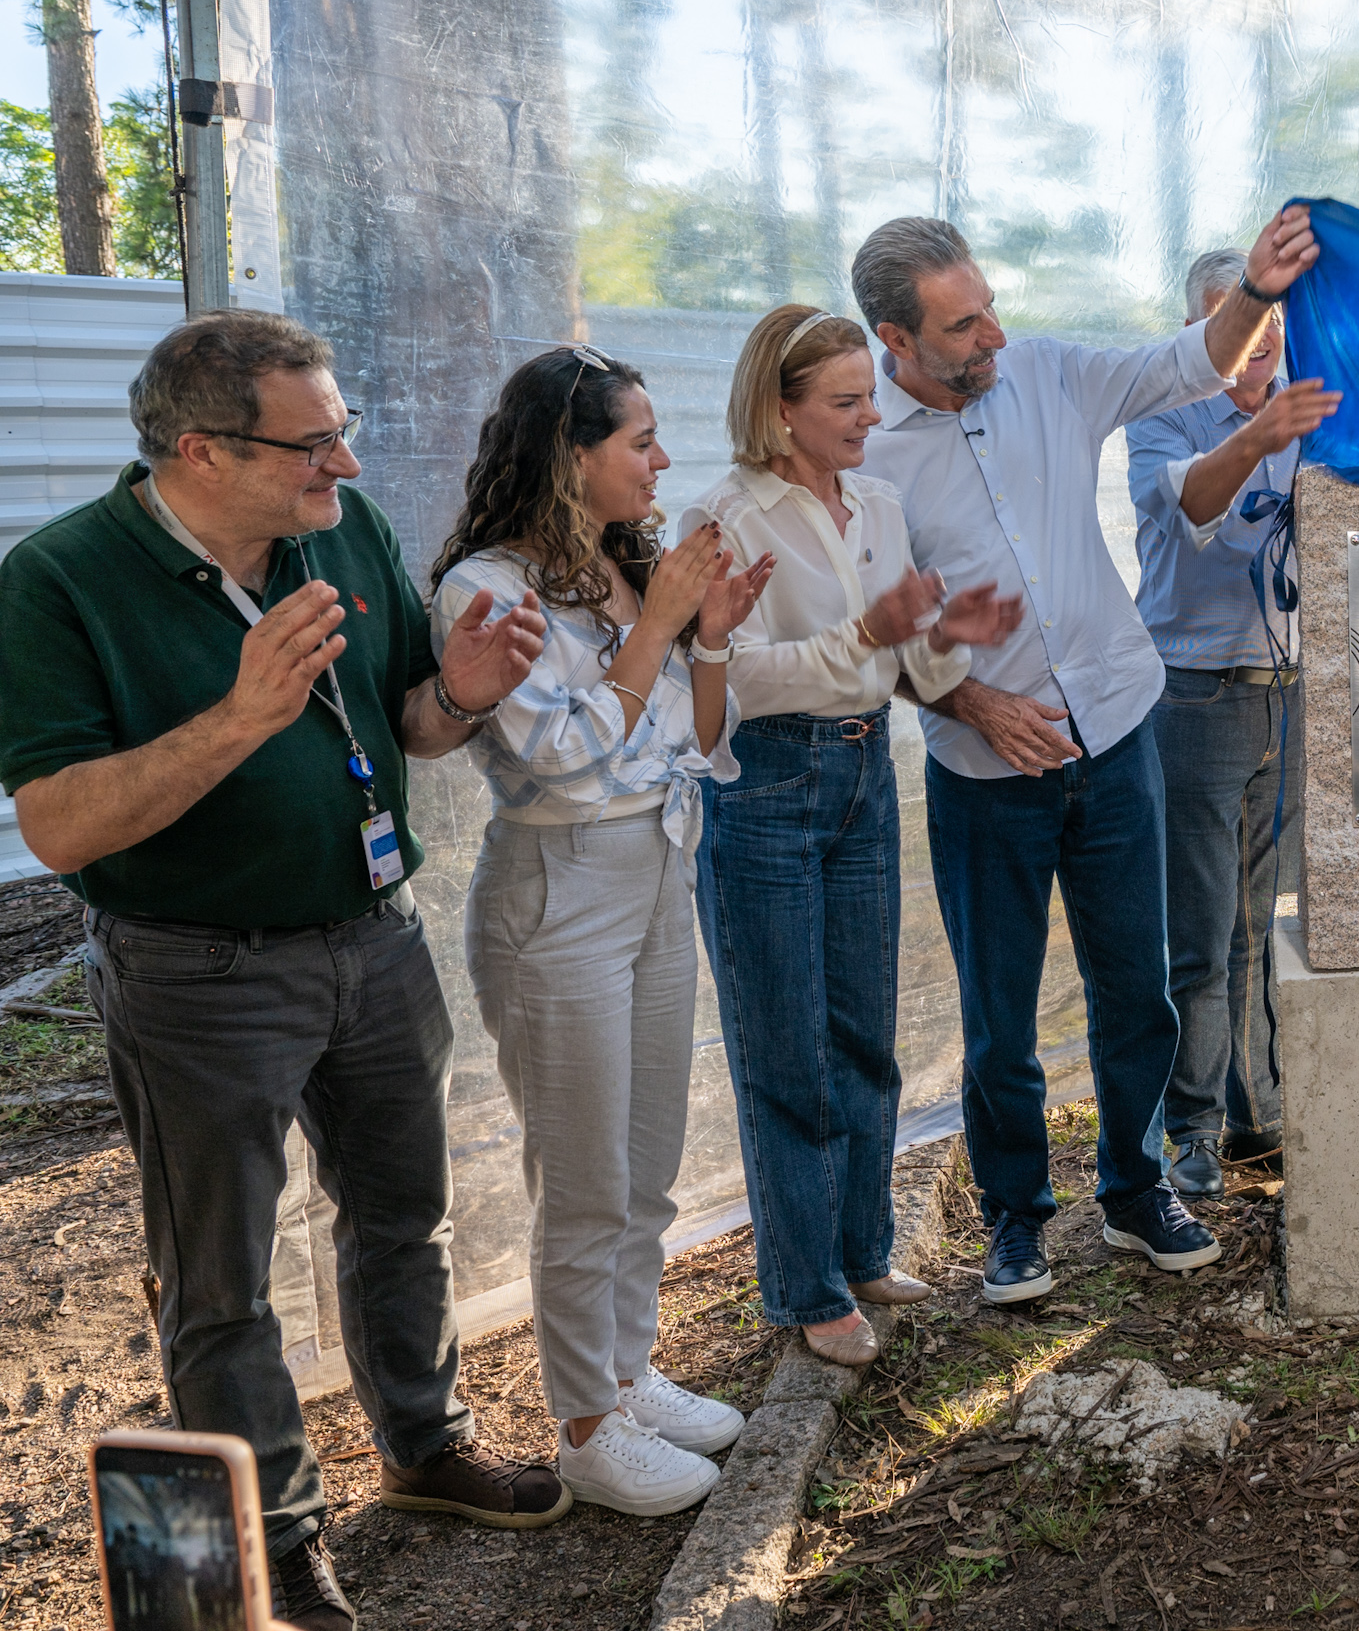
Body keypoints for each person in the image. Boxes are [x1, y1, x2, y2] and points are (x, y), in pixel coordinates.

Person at [0, 311, 569, 1631]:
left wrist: (464, 690)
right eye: (313, 445)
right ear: (200, 451)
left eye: (343, 433)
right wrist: (240, 716)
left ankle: (426, 1446)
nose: (346, 466)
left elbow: (409, 723)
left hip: (374, 936)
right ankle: (276, 1539)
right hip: (197, 971)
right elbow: (60, 827)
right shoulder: (60, 579)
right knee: (221, 1280)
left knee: (404, 1215)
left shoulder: (338, 529)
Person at [859, 205, 1319, 1306]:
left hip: (1116, 736)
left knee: (1139, 989)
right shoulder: (862, 450)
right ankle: (1017, 1220)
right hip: (987, 774)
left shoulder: (1049, 374)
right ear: (894, 338)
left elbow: (1186, 361)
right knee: (1000, 1017)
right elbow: (867, 635)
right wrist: (971, 699)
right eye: (963, 326)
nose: (994, 336)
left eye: (991, 309)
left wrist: (1257, 293)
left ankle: (1135, 1188)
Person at [430, 345, 773, 1518]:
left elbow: (702, 739)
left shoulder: (624, 568)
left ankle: (626, 1373)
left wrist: (707, 631)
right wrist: (661, 619)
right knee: (583, 1179)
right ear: (569, 455)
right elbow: (563, 755)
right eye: (640, 439)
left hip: (658, 872)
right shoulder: (488, 589)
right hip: (559, 892)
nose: (662, 459)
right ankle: (584, 1426)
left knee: (646, 1161)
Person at [682, 306, 1018, 1367]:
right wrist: (867, 633)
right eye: (846, 401)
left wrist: (943, 636)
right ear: (778, 410)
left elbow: (900, 659)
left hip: (867, 771)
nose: (872, 415)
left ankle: (864, 1250)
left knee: (864, 1031)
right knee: (785, 1046)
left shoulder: (876, 501)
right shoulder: (725, 517)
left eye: (870, 395)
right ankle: (807, 1285)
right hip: (766, 780)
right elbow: (728, 684)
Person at [1126, 250, 1340, 1200]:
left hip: (1288, 693)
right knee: (1200, 930)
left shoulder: (1308, 406)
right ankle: (1191, 1129)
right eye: (1246, 325)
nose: (1265, 344)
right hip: (1194, 696)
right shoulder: (1165, 413)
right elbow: (1196, 504)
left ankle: (1259, 1110)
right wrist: (1261, 437)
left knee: (1260, 918)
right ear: (1201, 330)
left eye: (1277, 326)